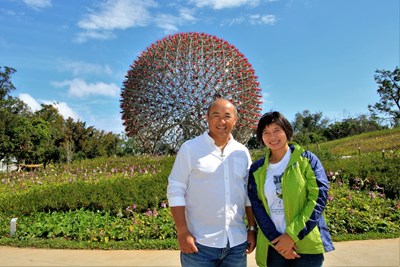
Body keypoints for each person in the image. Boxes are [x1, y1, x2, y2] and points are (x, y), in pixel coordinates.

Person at [167, 98, 256, 267]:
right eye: (216, 115)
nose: (222, 121)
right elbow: (175, 189)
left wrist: (252, 229)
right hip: (199, 245)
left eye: (227, 116)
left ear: (235, 120)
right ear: (207, 118)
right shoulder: (190, 148)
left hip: (236, 245)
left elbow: (247, 194)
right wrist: (182, 231)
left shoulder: (242, 152)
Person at [248, 111, 335, 267]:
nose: (272, 137)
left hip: (306, 245)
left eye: (276, 130)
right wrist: (277, 241)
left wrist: (291, 236)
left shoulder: (307, 160)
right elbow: (257, 207)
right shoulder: (257, 169)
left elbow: (318, 199)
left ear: (286, 131)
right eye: (266, 132)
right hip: (273, 246)